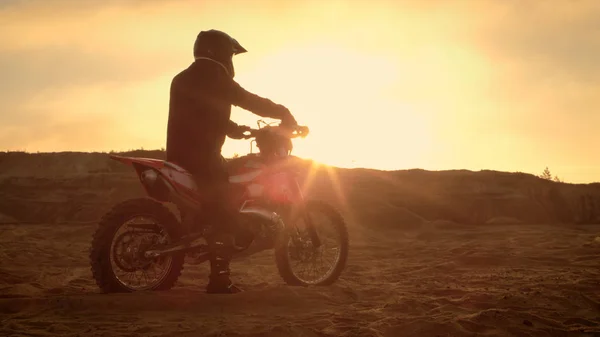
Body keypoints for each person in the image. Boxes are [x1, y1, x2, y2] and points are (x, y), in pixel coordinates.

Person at [165, 29, 298, 294]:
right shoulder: (215, 77)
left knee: (209, 207)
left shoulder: (182, 78)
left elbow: (200, 113)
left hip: (178, 156)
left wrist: (234, 129)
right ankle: (219, 279)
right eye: (231, 55)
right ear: (221, 54)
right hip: (202, 158)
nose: (232, 61)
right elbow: (246, 99)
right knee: (224, 212)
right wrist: (282, 112)